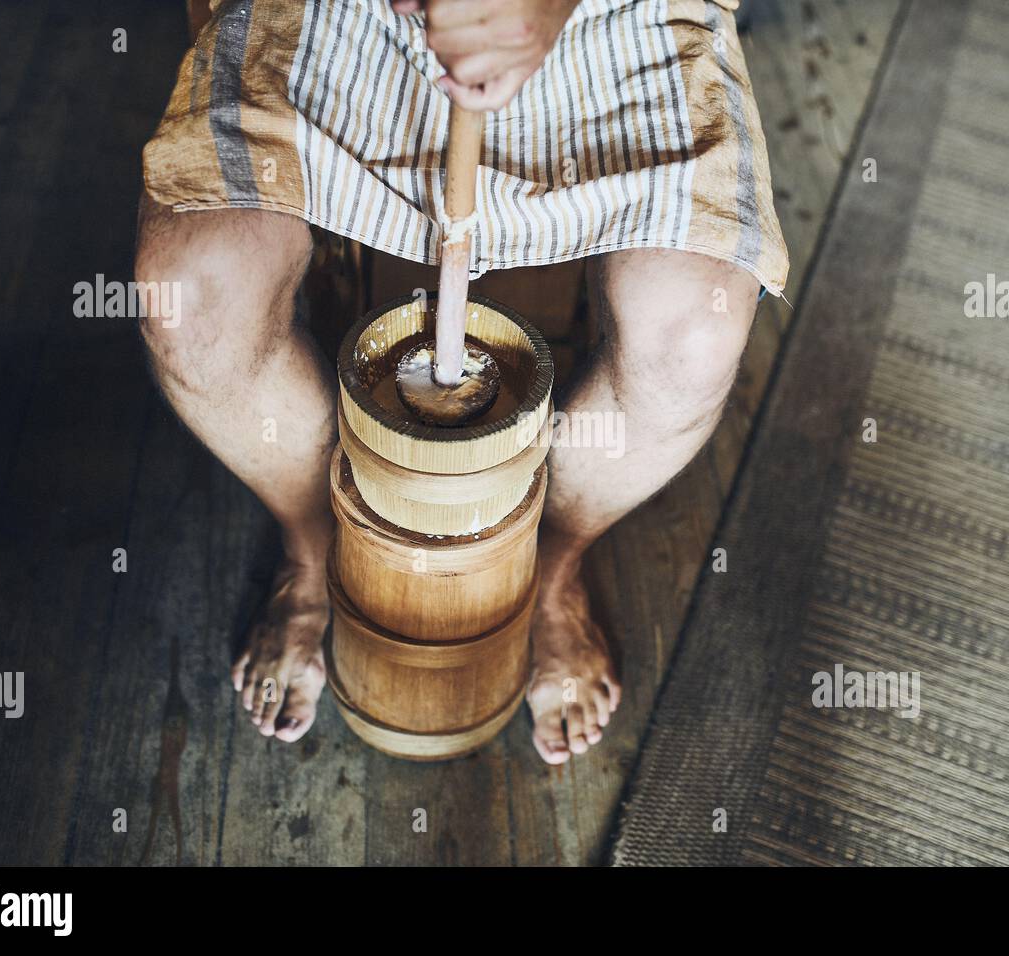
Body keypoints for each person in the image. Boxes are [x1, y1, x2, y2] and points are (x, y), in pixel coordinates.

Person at [135, 0, 788, 763]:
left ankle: (552, 566)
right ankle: (313, 544)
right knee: (194, 298)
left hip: (616, 15)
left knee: (694, 335)